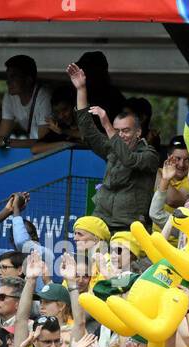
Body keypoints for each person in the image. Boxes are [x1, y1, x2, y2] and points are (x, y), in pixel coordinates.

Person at [66, 62, 160, 232]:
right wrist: (81, 89)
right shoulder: (112, 148)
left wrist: (108, 126)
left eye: (126, 130)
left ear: (138, 132)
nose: (120, 135)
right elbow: (88, 130)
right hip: (102, 221)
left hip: (129, 228)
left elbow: (129, 159)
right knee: (80, 231)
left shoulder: (149, 154)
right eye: (117, 130)